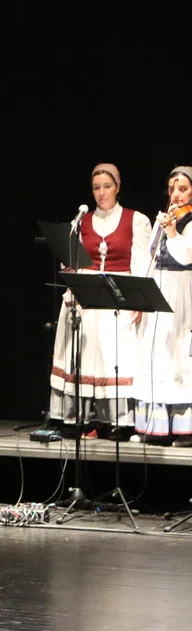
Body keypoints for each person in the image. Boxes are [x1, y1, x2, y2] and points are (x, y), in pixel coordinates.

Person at [48, 164, 152, 438]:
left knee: (114, 358)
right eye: (96, 188)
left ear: (117, 187)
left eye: (107, 186)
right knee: (84, 357)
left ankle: (117, 421)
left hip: (119, 295)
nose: (101, 192)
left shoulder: (136, 219)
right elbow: (73, 259)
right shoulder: (82, 221)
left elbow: (142, 262)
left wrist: (138, 299)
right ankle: (85, 419)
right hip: (88, 295)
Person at [131, 166, 192, 446]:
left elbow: (186, 256)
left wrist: (172, 233)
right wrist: (141, 297)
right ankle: (154, 427)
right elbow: (150, 257)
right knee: (155, 356)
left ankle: (185, 430)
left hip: (183, 291)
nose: (176, 194)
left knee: (178, 357)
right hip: (159, 289)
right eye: (172, 189)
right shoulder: (164, 219)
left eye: (183, 189)